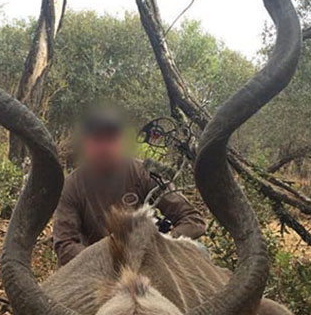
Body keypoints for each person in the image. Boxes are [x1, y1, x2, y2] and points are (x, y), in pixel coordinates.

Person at [53, 109, 206, 266]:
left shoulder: (144, 172)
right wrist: (110, 259)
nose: (105, 148)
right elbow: (64, 246)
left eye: (111, 139)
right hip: (96, 267)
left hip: (147, 260)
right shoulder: (71, 186)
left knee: (201, 251)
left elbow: (193, 221)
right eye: (98, 140)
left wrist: (161, 243)